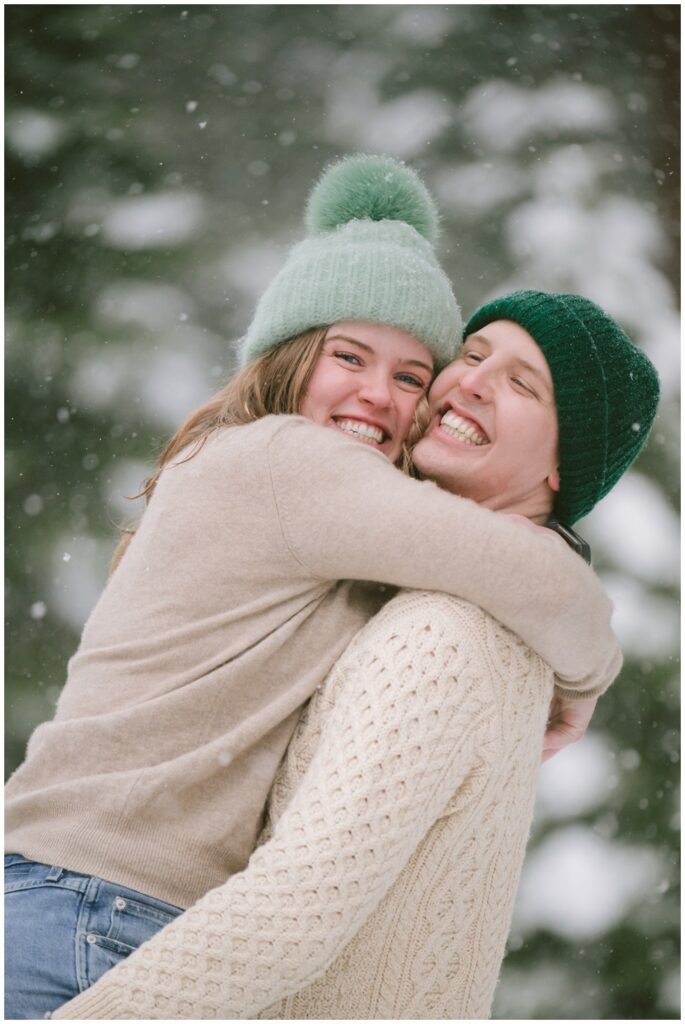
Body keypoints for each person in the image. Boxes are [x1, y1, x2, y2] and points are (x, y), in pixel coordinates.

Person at [5, 154, 624, 1019]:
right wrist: (586, 677)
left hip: (97, 905)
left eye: (410, 376)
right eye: (349, 356)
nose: (377, 395)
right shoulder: (283, 461)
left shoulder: (342, 521)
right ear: (290, 355)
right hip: (93, 906)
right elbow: (536, 578)